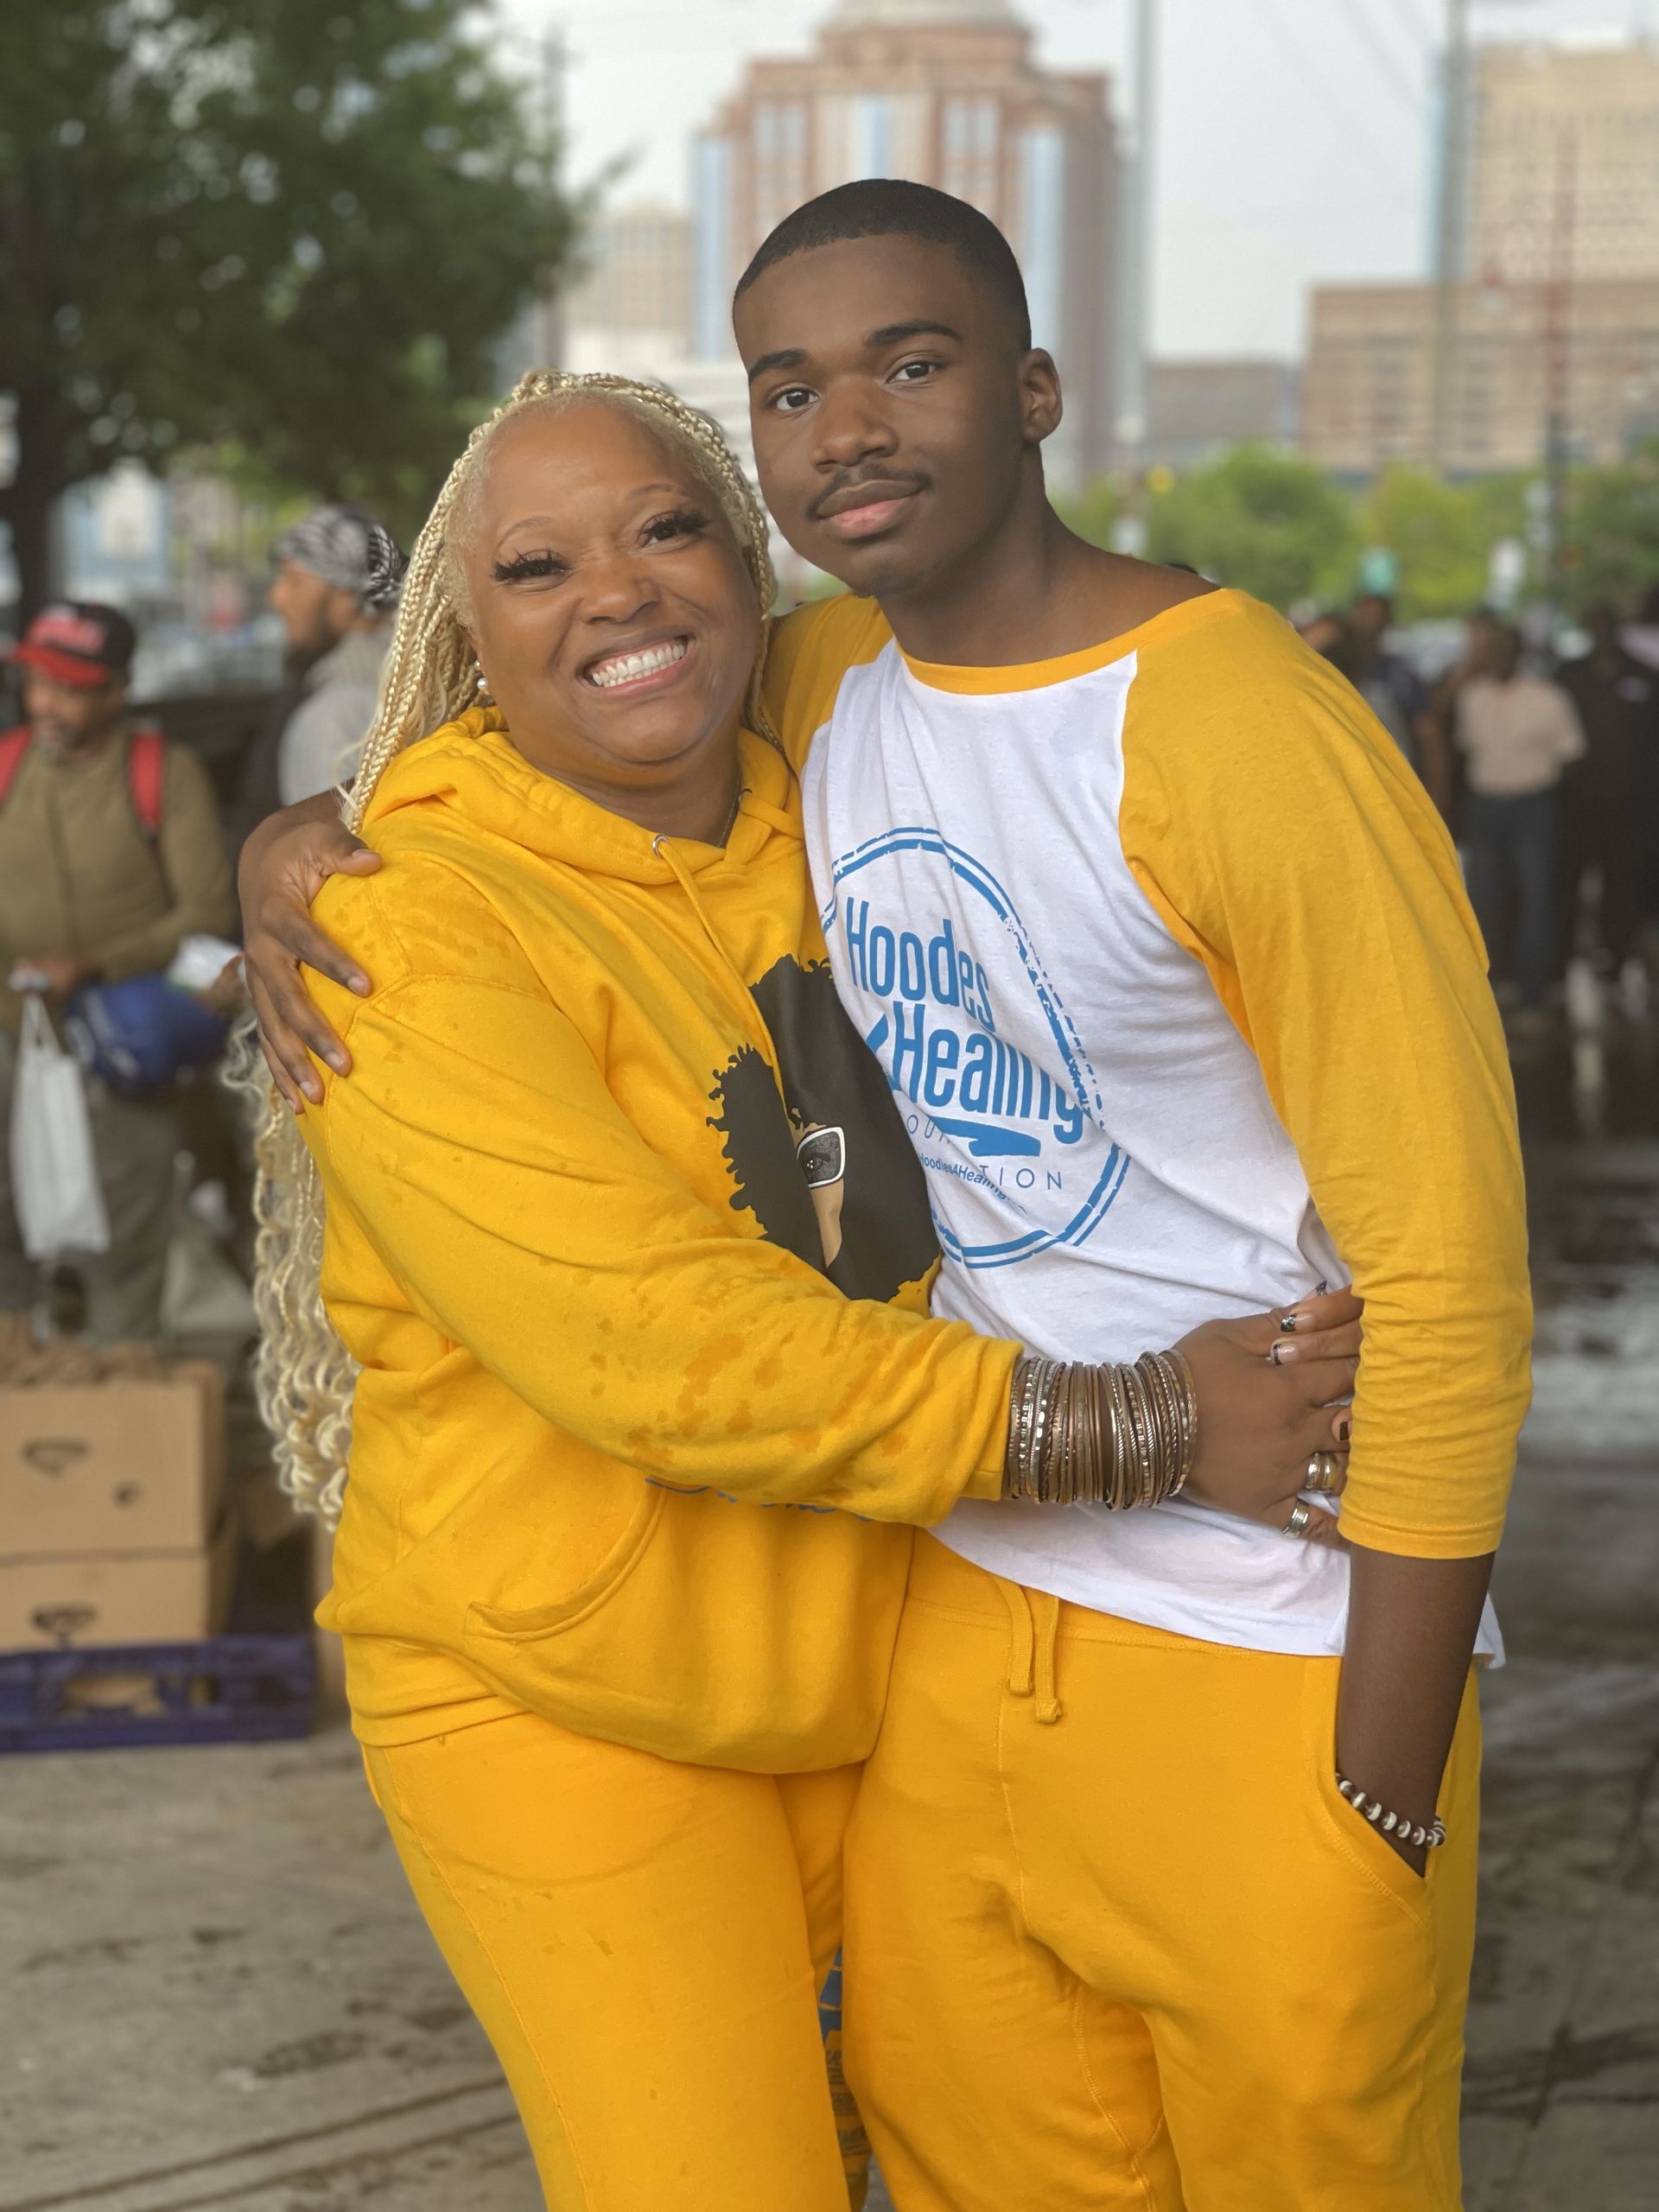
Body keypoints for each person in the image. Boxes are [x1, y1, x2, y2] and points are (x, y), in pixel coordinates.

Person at [244, 184, 1529, 2209]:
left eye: (907, 366)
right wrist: (307, 834)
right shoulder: (589, 829)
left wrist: (1384, 1769)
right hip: (745, 1652)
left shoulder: (1013, 722)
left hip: (1079, 1638)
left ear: (1026, 387)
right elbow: (655, 1336)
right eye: (786, 390)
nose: (623, 590)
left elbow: (1449, 1268)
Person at [0, 602, 237, 1339]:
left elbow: (206, 909)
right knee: (8, 1211)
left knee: (124, 1225)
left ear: (117, 691)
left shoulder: (162, 773)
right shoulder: (7, 764)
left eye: (69, 688)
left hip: (120, 1038)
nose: (47, 704)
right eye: (38, 684)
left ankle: (122, 1392)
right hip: (14, 1033)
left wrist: (96, 963)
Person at [1456, 621, 1586, 1017]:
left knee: (1536, 897)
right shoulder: (1472, 696)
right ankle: (1492, 990)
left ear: (1521, 654)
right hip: (1486, 805)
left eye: (1507, 649)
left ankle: (1534, 993)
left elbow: (1571, 756)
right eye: (1493, 649)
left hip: (1533, 804)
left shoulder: (1548, 698)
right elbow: (1466, 750)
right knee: (1484, 898)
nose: (1499, 657)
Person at [1556, 601, 1659, 996]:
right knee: (1567, 886)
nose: (1602, 633)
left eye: (1608, 625)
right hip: (1577, 805)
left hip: (1630, 807)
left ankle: (1616, 965)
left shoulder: (1645, 676)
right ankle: (1561, 969)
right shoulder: (1569, 675)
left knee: (1623, 888)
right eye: (1594, 625)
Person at [267, 503, 398, 804]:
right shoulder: (389, 680)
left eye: (295, 581)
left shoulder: (340, 709)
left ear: (348, 594)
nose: (277, 596)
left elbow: (331, 841)